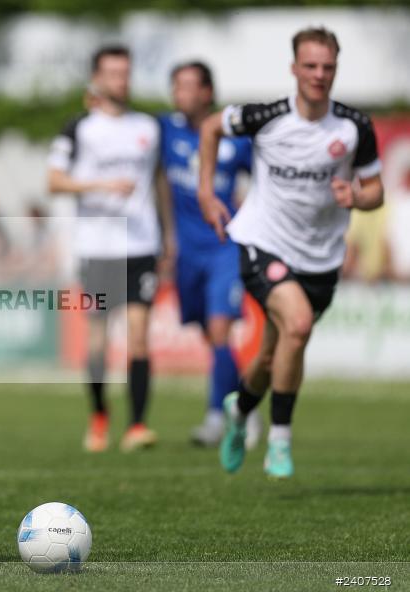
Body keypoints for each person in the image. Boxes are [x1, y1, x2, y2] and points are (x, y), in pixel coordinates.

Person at [197, 27, 383, 479]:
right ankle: (279, 440)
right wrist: (206, 192)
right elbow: (210, 126)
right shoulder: (266, 116)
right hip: (263, 243)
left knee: (272, 356)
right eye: (310, 66)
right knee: (297, 326)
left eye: (327, 67)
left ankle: (240, 409)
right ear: (294, 68)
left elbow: (376, 189)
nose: (319, 74)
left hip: (320, 258)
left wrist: (357, 197)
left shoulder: (354, 127)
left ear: (335, 70)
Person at [48, 45, 174, 453]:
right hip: (97, 248)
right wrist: (101, 185)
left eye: (126, 72)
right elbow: (54, 181)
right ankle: (99, 415)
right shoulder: (79, 128)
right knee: (98, 341)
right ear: (97, 79)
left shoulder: (148, 127)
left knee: (139, 338)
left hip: (141, 245)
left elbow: (159, 181)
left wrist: (168, 234)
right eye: (113, 73)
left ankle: (137, 425)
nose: (122, 80)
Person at [158, 61, 262, 448]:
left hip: (224, 247)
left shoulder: (234, 138)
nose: (180, 93)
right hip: (186, 254)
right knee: (211, 336)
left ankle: (220, 416)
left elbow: (264, 182)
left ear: (207, 92)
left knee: (220, 330)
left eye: (187, 86)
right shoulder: (164, 130)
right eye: (176, 86)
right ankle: (243, 404)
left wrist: (251, 222)